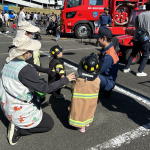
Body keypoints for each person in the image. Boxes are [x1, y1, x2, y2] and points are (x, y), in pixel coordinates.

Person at [0, 35, 76, 145]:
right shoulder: (25, 69)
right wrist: (65, 80)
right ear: (26, 52)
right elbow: (45, 88)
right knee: (48, 123)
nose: (31, 52)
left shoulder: (8, 62)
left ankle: (19, 120)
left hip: (6, 103)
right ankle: (19, 129)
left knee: (39, 97)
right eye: (30, 50)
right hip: (16, 110)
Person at [68, 54, 101, 133]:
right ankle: (87, 123)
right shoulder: (97, 80)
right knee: (89, 110)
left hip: (79, 101)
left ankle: (80, 126)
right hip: (91, 101)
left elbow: (72, 89)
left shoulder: (78, 80)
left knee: (79, 110)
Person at [123, 0, 150, 77]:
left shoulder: (139, 15)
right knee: (145, 55)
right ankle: (140, 71)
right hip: (146, 39)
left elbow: (136, 27)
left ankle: (126, 68)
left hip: (137, 38)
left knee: (133, 53)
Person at [93, 27, 119, 97]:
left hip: (108, 82)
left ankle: (105, 90)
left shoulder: (109, 55)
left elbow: (98, 70)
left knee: (91, 75)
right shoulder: (108, 49)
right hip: (105, 77)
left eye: (98, 38)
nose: (97, 40)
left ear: (104, 38)